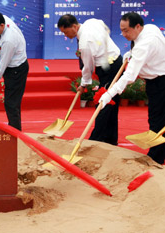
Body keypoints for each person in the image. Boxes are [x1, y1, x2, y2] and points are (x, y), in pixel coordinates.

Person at [100, 12, 165, 164]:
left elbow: (129, 76)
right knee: (158, 118)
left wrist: (109, 94)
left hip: (160, 81)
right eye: (121, 30)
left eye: (126, 30)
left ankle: (155, 158)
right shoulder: (149, 28)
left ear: (137, 27)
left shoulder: (144, 46)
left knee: (157, 120)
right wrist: (131, 53)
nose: (123, 34)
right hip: (156, 78)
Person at [58, 14, 122, 145]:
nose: (65, 35)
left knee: (103, 103)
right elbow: (102, 23)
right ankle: (110, 139)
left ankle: (96, 139)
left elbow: (88, 67)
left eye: (66, 31)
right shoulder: (91, 22)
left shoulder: (85, 42)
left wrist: (84, 84)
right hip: (115, 61)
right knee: (111, 103)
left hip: (109, 67)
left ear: (74, 27)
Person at [0, 12, 29, 131]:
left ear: (2, 26)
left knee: (11, 102)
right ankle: (14, 126)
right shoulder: (3, 18)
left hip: (16, 70)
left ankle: (15, 131)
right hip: (12, 65)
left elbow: (3, 64)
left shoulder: (8, 40)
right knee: (13, 101)